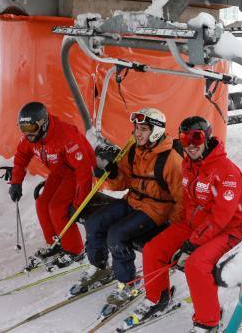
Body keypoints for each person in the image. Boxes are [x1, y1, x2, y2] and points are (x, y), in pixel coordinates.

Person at [126, 116, 242, 332]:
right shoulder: (188, 164)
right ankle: (158, 298)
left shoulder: (227, 171)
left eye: (196, 137)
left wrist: (193, 243)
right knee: (153, 249)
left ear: (207, 137)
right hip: (194, 226)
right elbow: (188, 201)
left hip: (226, 232)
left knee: (195, 265)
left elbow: (221, 217)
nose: (190, 144)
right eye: (184, 137)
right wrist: (176, 228)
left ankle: (208, 322)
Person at [72, 108, 183, 308]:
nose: (137, 133)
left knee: (116, 235)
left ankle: (127, 282)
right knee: (94, 222)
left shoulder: (171, 159)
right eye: (136, 128)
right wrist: (112, 173)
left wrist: (172, 228)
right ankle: (99, 267)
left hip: (156, 209)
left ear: (156, 131)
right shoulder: (134, 150)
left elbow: (182, 198)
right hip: (132, 200)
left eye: (143, 129)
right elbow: (120, 184)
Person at [8, 101, 96, 268]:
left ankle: (75, 250)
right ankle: (56, 244)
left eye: (31, 129)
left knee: (57, 208)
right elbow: (21, 157)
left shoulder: (65, 136)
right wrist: (16, 182)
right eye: (24, 129)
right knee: (42, 204)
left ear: (43, 123)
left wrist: (80, 203)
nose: (28, 134)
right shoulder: (32, 137)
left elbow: (84, 171)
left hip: (75, 175)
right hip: (58, 173)